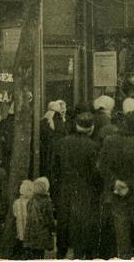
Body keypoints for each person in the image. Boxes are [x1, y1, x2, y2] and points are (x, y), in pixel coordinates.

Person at [98, 110, 134, 259]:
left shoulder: (110, 141)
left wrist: (116, 182)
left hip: (117, 195)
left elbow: (102, 166)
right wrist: (130, 185)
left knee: (122, 239)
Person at [52, 111, 102, 259]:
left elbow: (54, 170)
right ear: (91, 128)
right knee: (82, 226)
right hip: (85, 190)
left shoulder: (61, 144)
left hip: (64, 189)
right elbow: (96, 173)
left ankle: (61, 253)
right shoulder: (93, 146)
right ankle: (81, 255)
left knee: (63, 223)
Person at [24, 177, 55, 259]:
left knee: (31, 254)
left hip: (31, 232)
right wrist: (53, 228)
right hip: (42, 233)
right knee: (39, 254)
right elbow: (49, 218)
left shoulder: (31, 200)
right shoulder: (47, 201)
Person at [12, 180, 34, 259]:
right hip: (29, 228)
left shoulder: (16, 202)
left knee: (21, 238)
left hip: (20, 226)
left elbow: (15, 214)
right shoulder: (32, 202)